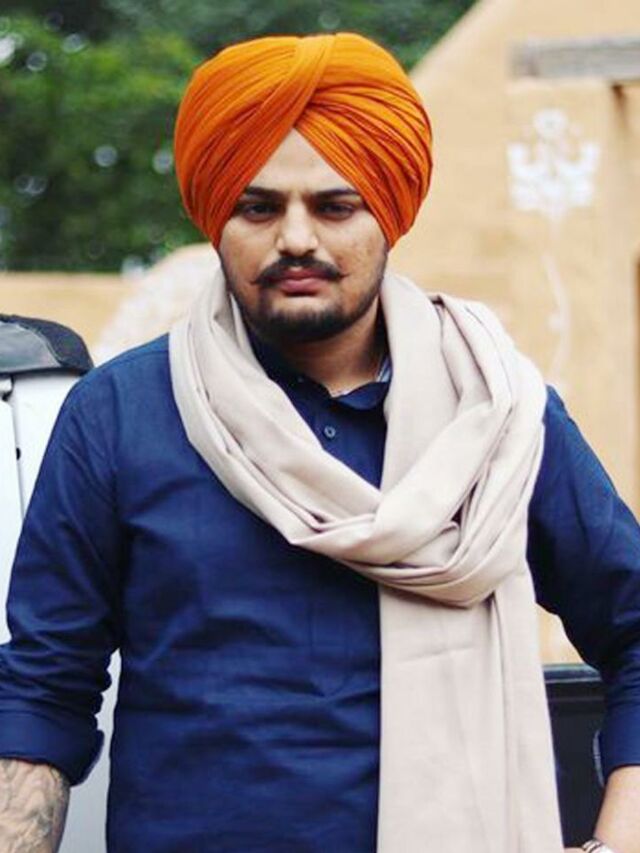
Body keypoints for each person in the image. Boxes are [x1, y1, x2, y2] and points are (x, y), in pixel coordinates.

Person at [0, 31, 639, 853]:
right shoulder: (120, 413)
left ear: (390, 215)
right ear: (216, 218)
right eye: (258, 207)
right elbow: (44, 692)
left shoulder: (499, 415)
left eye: (335, 207)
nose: (296, 238)